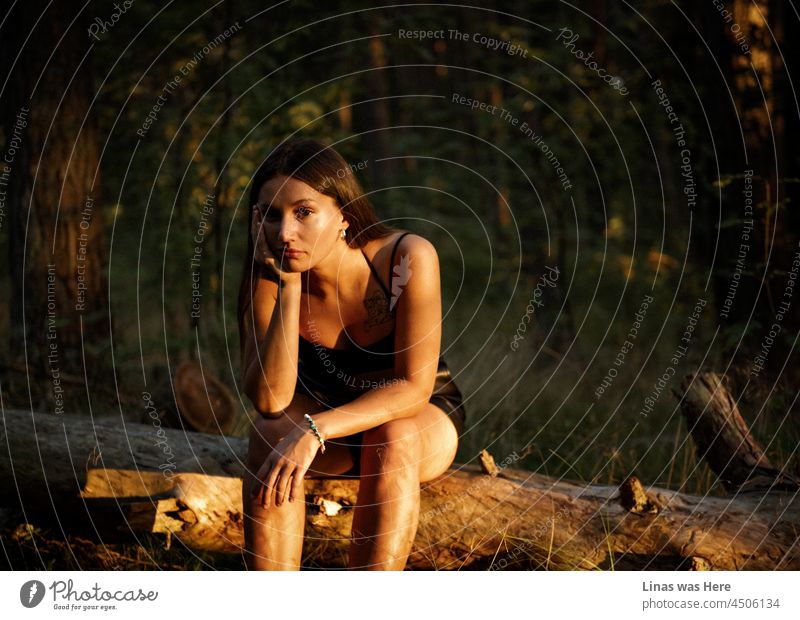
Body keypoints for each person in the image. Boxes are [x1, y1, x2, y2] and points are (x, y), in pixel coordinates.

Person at [237, 137, 467, 570]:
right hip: (327, 422)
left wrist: (313, 431)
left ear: (343, 213)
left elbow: (414, 388)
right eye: (271, 215)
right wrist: (287, 288)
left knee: (392, 436)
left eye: (303, 212)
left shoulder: (405, 258)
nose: (285, 233)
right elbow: (270, 400)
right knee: (267, 433)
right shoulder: (268, 274)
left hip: (416, 420)